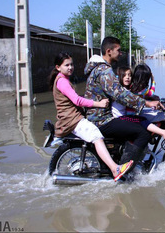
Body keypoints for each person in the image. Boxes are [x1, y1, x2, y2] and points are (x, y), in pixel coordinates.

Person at [49, 52, 133, 182]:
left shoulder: (62, 79)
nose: (70, 67)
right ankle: (115, 169)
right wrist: (98, 104)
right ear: (58, 67)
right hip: (72, 119)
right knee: (96, 136)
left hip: (71, 117)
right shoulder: (62, 81)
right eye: (66, 65)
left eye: (71, 64)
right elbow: (77, 100)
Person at [84, 37, 163, 174]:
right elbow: (120, 94)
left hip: (99, 116)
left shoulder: (99, 69)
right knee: (143, 133)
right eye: (118, 50)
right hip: (102, 119)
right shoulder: (104, 71)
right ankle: (124, 172)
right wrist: (147, 103)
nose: (121, 53)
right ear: (109, 51)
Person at [112, 66, 165, 140]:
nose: (127, 77)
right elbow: (150, 94)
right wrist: (153, 80)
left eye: (129, 75)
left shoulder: (129, 88)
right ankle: (162, 132)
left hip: (126, 114)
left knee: (147, 116)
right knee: (143, 120)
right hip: (121, 117)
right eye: (125, 75)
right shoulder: (124, 91)